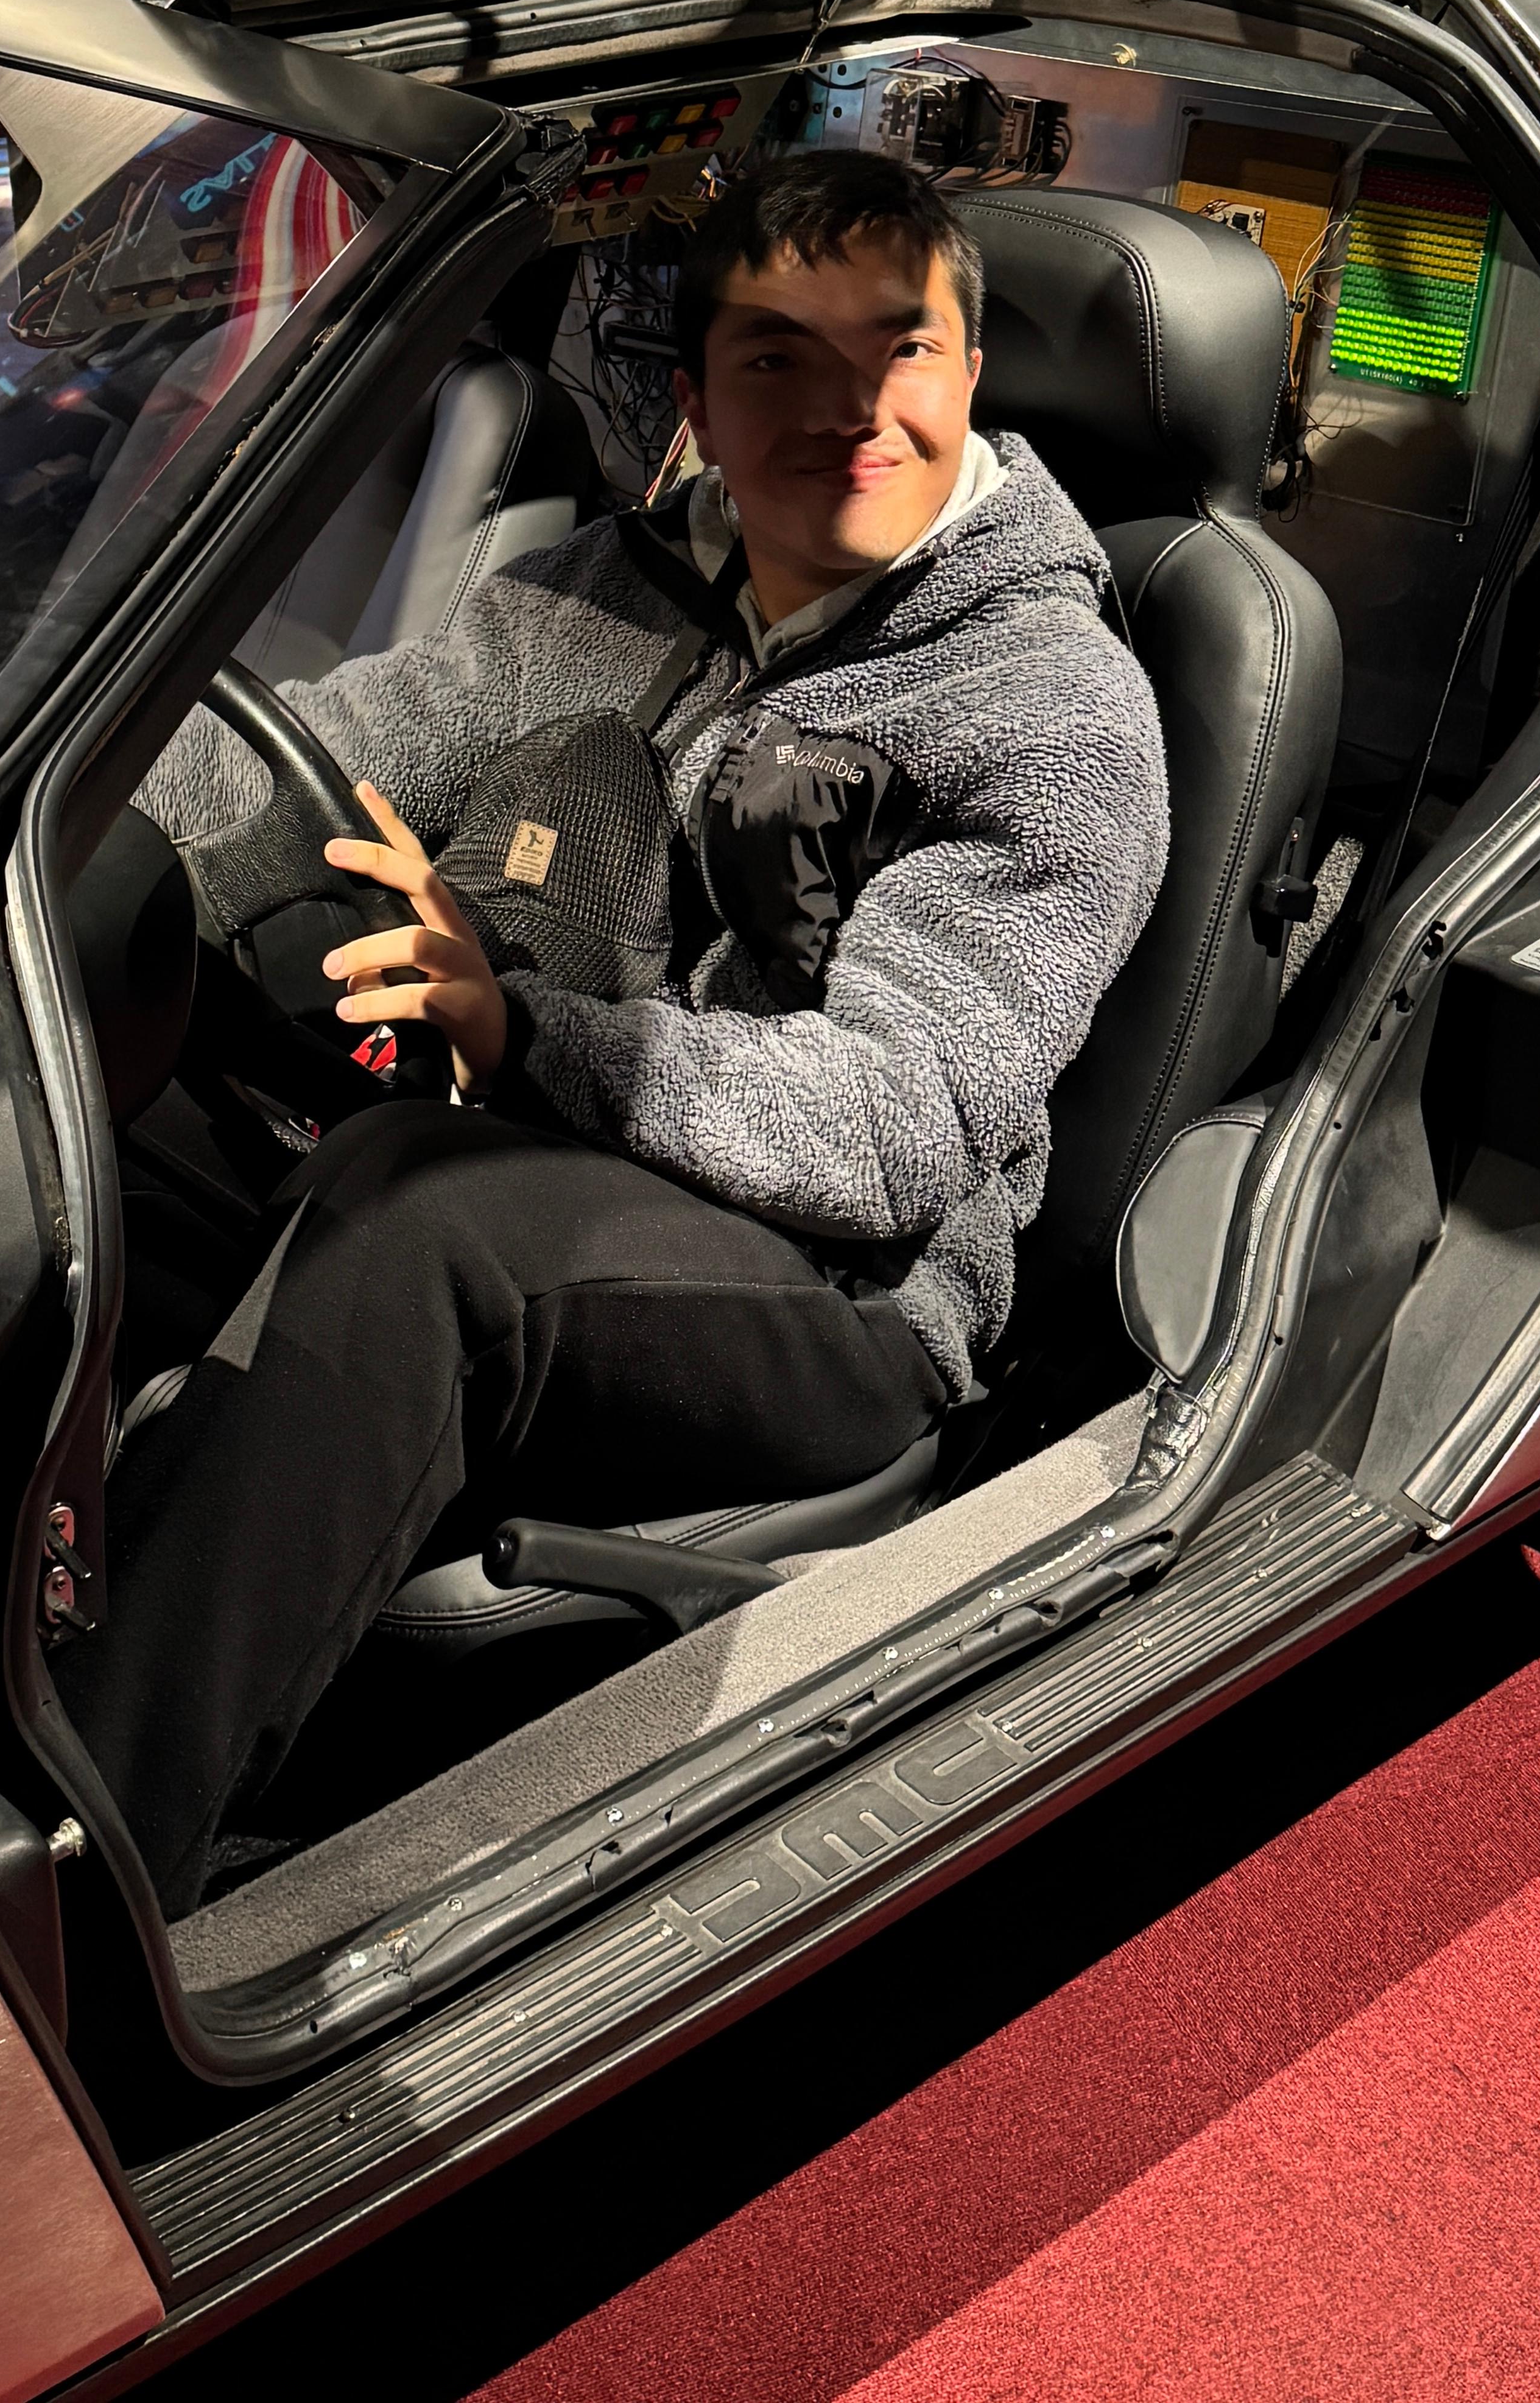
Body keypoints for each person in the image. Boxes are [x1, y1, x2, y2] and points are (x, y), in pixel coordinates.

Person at [70, 147, 1169, 1913]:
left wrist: (523, 1034)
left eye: (899, 349)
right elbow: (333, 751)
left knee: (417, 1223)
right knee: (83, 1106)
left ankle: (90, 1882)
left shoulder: (1047, 708)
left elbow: (889, 1131)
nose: (851, 410)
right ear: (698, 405)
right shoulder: (614, 583)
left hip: (844, 1297)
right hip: (535, 1151)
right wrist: (31, 825)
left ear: (969, 371)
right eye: (778, 360)